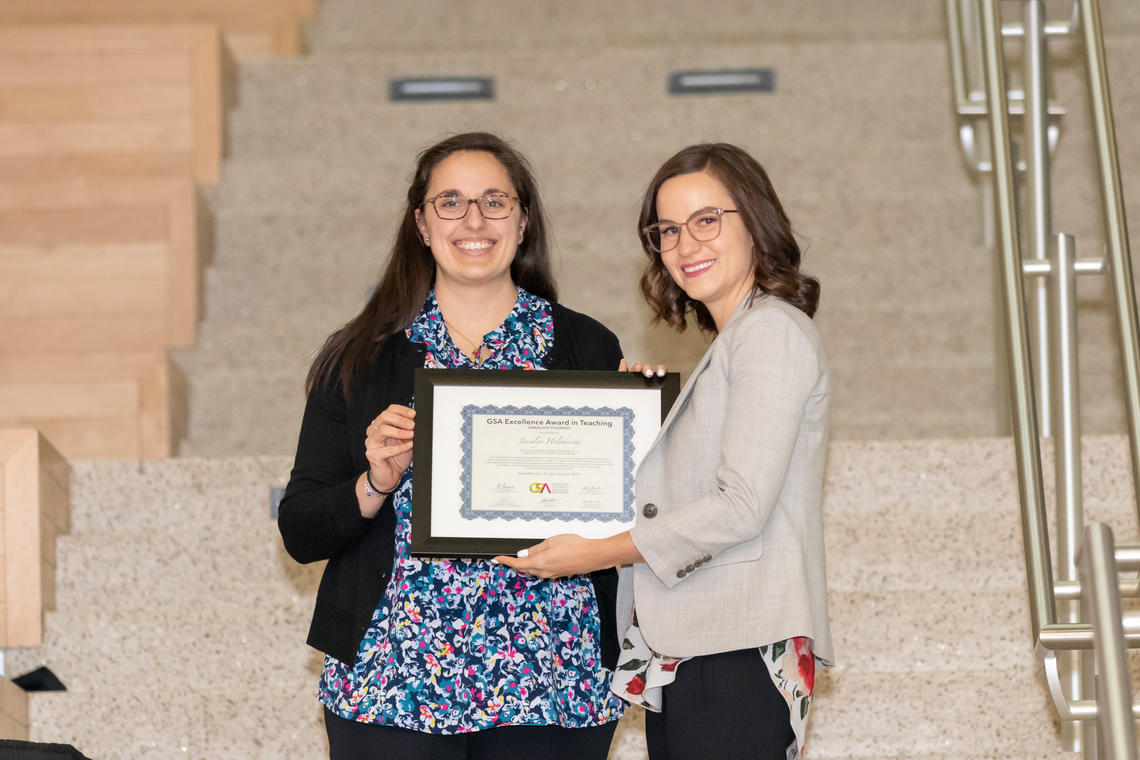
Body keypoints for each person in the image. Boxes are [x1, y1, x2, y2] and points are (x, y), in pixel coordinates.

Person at [277, 132, 628, 760]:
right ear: (420, 222)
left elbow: (631, 520)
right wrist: (374, 482)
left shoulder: (589, 348)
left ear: (523, 221)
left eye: (496, 202)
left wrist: (641, 431)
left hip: (553, 672)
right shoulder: (360, 357)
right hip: (390, 679)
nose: (474, 220)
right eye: (450, 202)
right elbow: (301, 530)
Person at [497, 143, 833, 760]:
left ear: (755, 222)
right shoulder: (737, 342)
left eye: (707, 220)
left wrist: (593, 554)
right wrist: (631, 422)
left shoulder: (770, 333)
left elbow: (740, 506)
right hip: (699, 646)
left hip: (735, 646)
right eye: (668, 231)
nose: (686, 245)